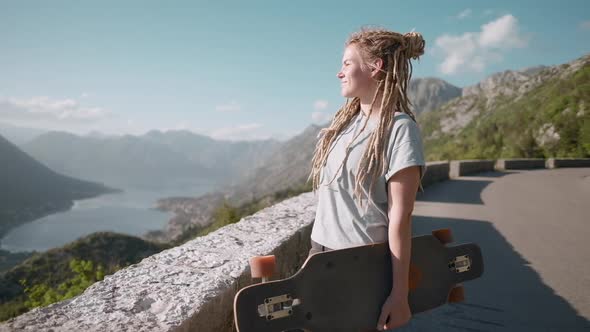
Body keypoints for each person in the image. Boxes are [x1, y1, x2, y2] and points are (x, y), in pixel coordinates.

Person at [307, 27, 426, 331]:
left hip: (360, 265)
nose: (339, 73)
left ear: (375, 67)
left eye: (347, 63)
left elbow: (401, 216)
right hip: (319, 254)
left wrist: (400, 295)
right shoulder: (345, 125)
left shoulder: (399, 129)